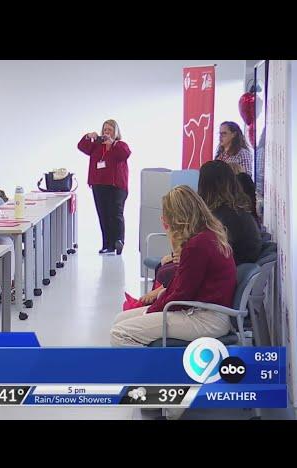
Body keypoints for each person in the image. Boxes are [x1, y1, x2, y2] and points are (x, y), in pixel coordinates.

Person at [111, 186, 236, 346]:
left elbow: (181, 295)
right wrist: (154, 306)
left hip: (205, 318)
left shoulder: (197, 245)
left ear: (176, 218)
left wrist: (150, 311)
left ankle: (151, 370)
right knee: (120, 320)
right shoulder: (207, 236)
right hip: (201, 310)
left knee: (119, 333)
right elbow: (182, 286)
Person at [77, 119, 131, 255]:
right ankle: (107, 244)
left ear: (115, 132)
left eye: (110, 130)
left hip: (116, 186)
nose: (107, 132)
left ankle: (119, 241)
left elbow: (125, 154)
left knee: (116, 213)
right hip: (98, 185)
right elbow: (82, 146)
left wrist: (112, 143)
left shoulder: (119, 145)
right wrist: (89, 136)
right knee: (103, 215)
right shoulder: (96, 145)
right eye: (105, 130)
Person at [198, 160, 262, 264]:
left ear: (205, 186)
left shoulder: (225, 216)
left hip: (231, 267)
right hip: (239, 265)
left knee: (166, 270)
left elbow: (213, 252)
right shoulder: (235, 211)